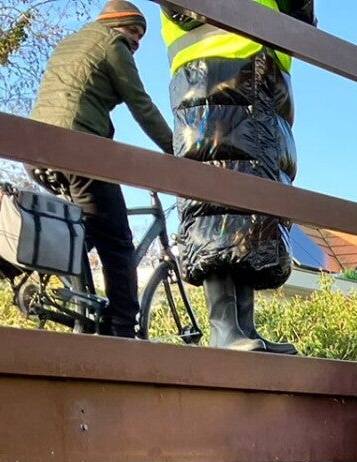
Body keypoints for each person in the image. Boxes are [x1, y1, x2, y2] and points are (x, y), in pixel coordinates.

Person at [160, 0, 313, 352]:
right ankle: (224, 328)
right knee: (216, 205)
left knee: (253, 210)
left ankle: (245, 327)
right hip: (211, 74)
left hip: (266, 79)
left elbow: (300, 16)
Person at [30, 0, 174, 338]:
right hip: (78, 150)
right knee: (119, 240)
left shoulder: (70, 43)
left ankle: (81, 304)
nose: (135, 43)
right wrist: (175, 150)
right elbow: (141, 104)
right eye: (134, 32)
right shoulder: (112, 44)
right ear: (116, 24)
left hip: (35, 150)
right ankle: (122, 326)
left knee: (91, 225)